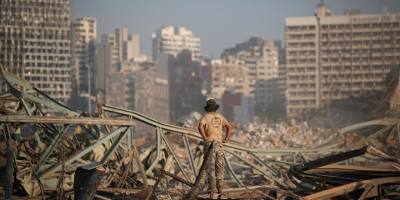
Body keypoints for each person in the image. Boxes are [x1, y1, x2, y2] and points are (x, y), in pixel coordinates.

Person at [197, 98, 232, 196]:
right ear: (215, 108)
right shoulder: (220, 117)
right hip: (218, 143)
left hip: (209, 143)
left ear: (207, 108)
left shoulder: (206, 117)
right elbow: (229, 127)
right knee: (219, 165)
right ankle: (220, 189)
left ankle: (211, 189)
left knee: (208, 166)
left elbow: (200, 126)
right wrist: (226, 139)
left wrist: (204, 137)